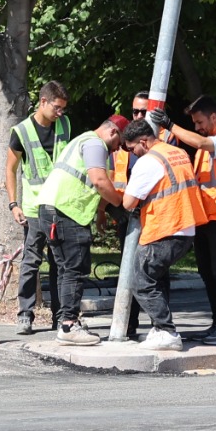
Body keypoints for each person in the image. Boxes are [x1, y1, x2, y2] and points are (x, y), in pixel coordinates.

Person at [35, 113, 129, 346]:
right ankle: (69, 325)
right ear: (113, 132)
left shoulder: (81, 140)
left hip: (52, 210)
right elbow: (98, 181)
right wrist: (121, 205)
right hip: (67, 212)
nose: (118, 149)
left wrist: (99, 211)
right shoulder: (96, 144)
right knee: (75, 270)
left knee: (66, 270)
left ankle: (65, 323)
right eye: (119, 144)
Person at [163, 95, 216, 345]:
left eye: (200, 122)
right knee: (208, 272)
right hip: (206, 217)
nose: (197, 127)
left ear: (214, 117)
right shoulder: (208, 144)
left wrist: (170, 125)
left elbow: (201, 142)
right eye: (195, 123)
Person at [115, 118, 202, 350]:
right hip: (185, 226)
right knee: (158, 279)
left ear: (143, 141)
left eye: (133, 148)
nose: (133, 153)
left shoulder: (149, 162)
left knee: (140, 281)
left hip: (164, 226)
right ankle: (158, 328)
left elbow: (128, 201)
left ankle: (167, 331)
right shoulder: (177, 152)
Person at [3, 80, 71, 334]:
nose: (60, 113)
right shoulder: (21, 132)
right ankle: (25, 315)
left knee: (60, 264)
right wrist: (13, 204)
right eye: (57, 107)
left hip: (60, 206)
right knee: (31, 262)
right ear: (43, 102)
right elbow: (10, 169)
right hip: (34, 208)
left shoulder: (64, 124)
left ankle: (61, 316)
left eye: (63, 108)